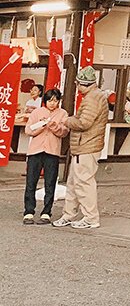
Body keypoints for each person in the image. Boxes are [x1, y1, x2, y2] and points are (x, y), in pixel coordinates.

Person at [53, 70, 110, 231]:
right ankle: (68, 214)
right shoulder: (96, 96)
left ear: (84, 84)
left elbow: (84, 123)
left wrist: (67, 120)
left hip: (87, 146)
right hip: (83, 146)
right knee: (73, 182)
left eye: (78, 84)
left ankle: (91, 217)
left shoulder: (93, 99)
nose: (76, 86)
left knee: (84, 182)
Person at [23, 88, 68, 224]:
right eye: (50, 101)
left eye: (55, 101)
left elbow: (64, 132)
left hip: (52, 152)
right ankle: (29, 211)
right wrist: (42, 126)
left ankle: (46, 212)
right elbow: (28, 130)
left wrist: (53, 126)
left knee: (50, 182)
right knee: (31, 181)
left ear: (59, 101)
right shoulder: (37, 112)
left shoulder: (63, 114)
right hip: (35, 151)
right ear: (45, 101)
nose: (52, 104)